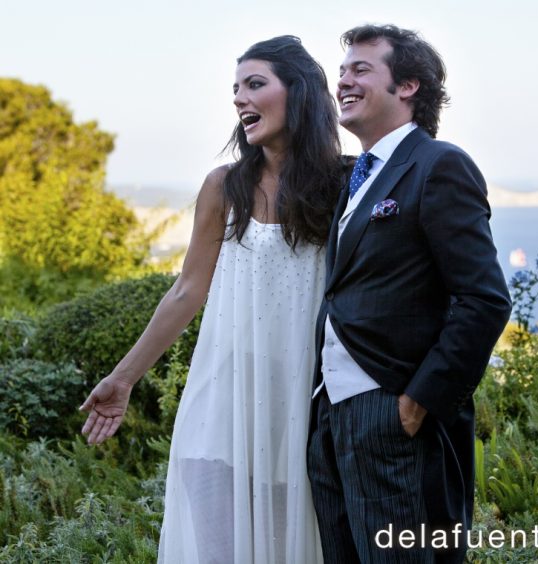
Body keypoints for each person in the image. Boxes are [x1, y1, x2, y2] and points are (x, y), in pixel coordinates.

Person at [80, 35, 343, 563]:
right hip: (220, 409)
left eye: (255, 84)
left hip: (300, 417)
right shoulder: (224, 186)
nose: (240, 99)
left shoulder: (344, 183)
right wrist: (123, 378)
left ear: (301, 93)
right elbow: (187, 289)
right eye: (235, 89)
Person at [306, 24, 512, 564]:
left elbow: (484, 299)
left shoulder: (438, 165)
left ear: (408, 87)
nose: (342, 81)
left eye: (361, 69)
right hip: (331, 415)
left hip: (392, 413)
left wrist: (417, 403)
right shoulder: (358, 178)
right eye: (342, 69)